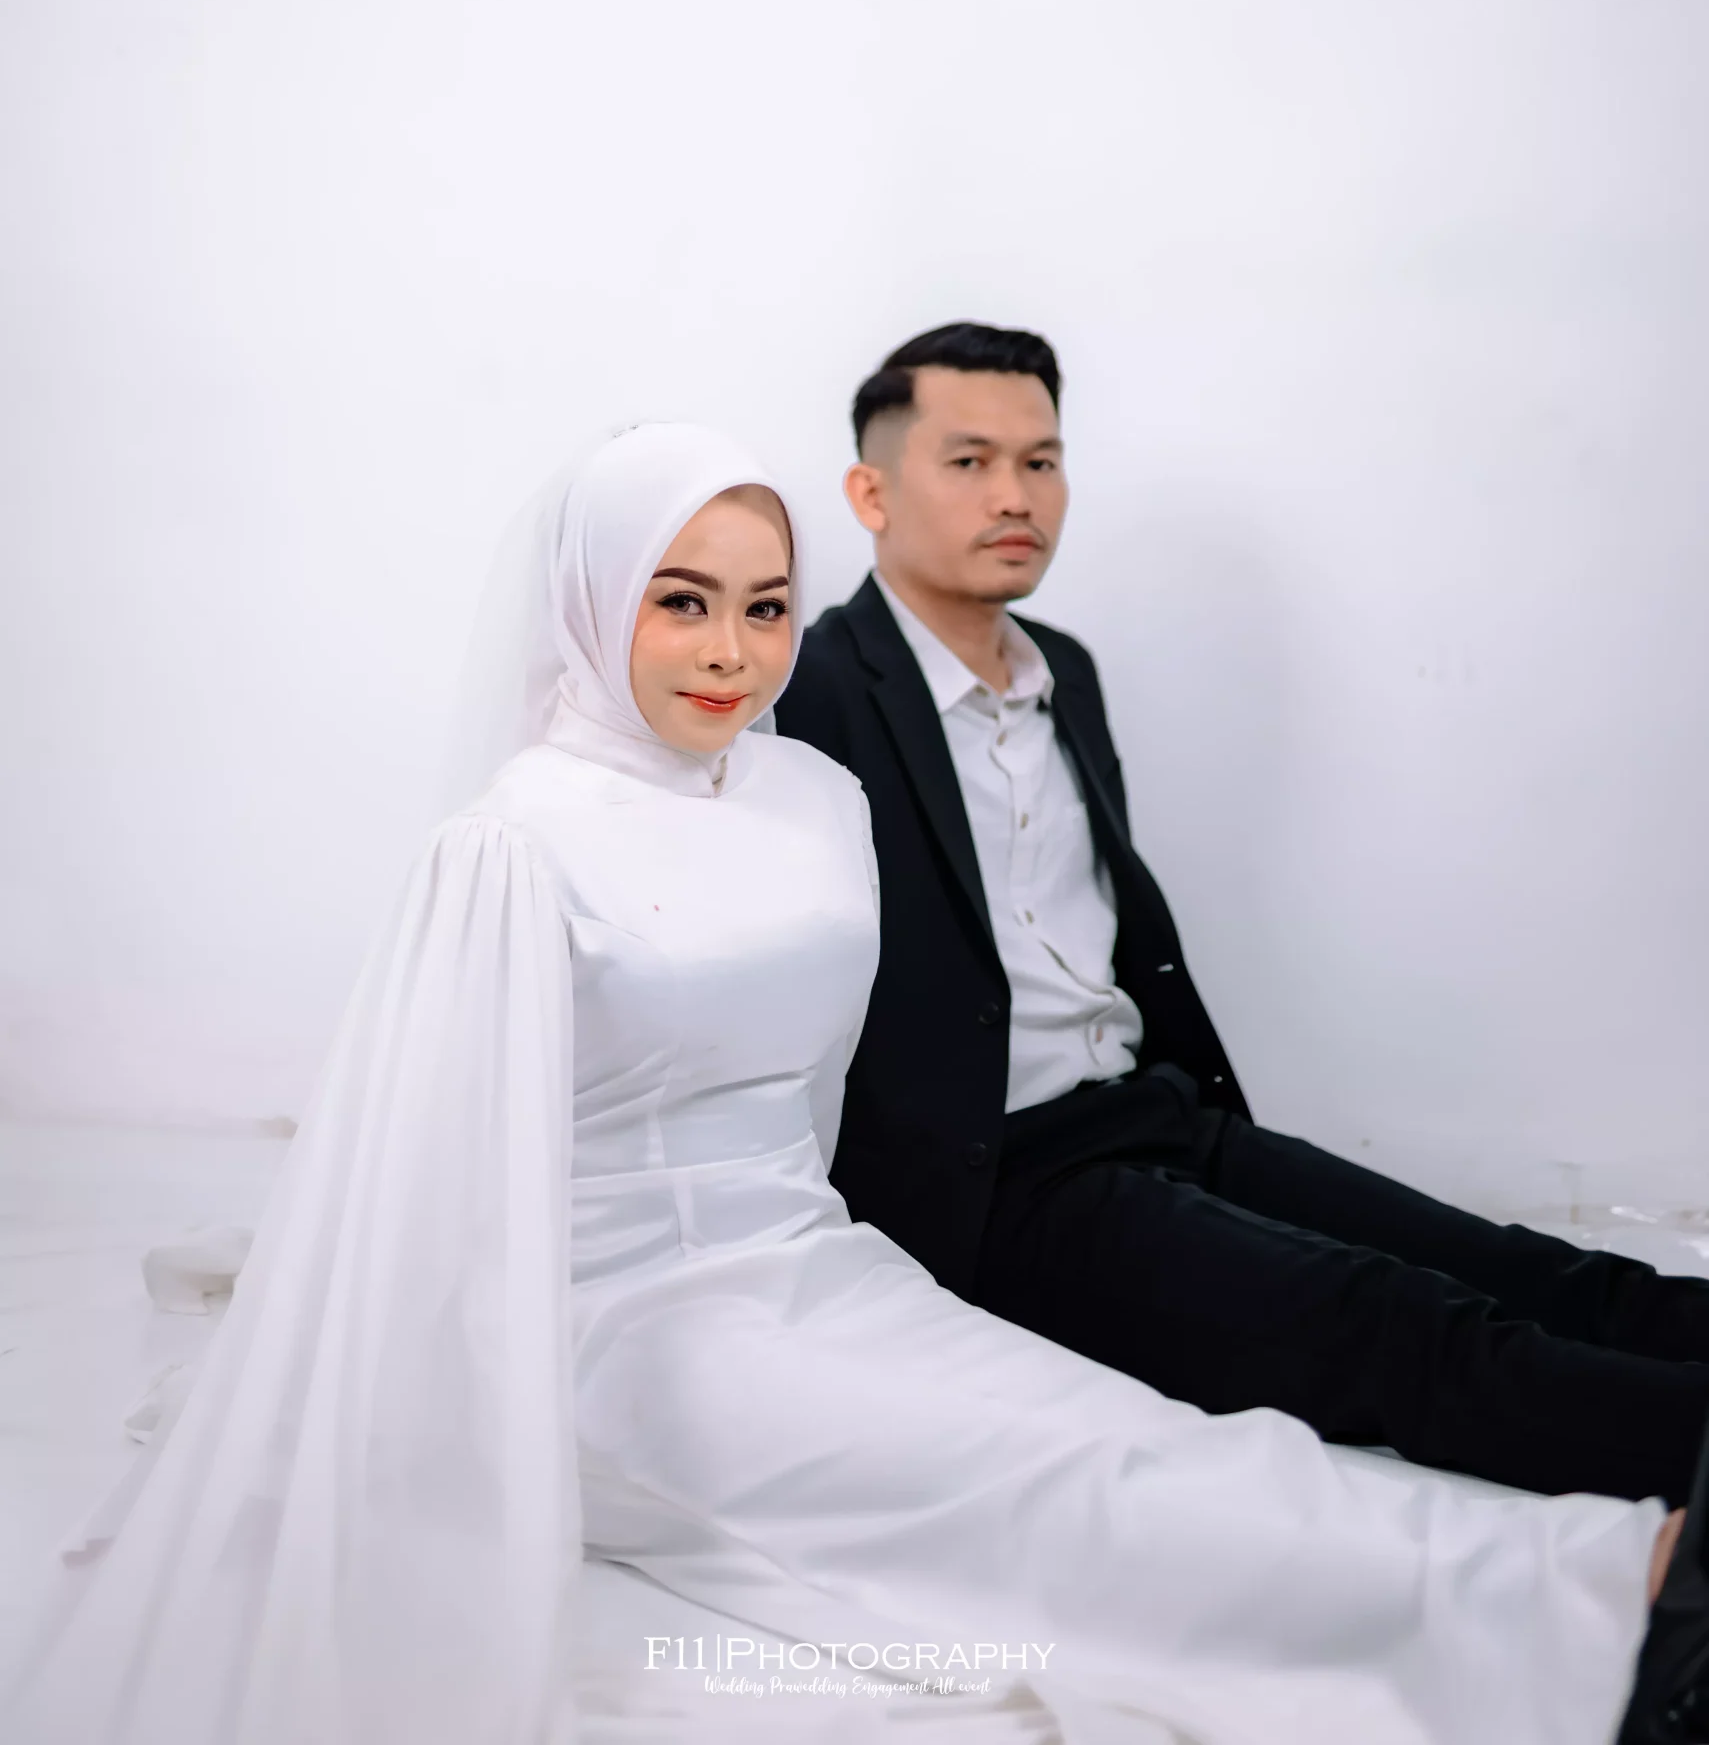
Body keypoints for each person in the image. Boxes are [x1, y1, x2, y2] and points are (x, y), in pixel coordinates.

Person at [8, 420, 1706, 1745]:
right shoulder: (512, 845)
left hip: (818, 1273)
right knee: (1042, 1491)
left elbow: (817, 1117)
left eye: (762, 605)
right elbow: (436, 1168)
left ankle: (1586, 1588)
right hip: (615, 1333)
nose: (729, 651)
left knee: (1119, 1432)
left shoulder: (812, 804)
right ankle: (1591, 1601)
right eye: (679, 599)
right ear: (593, 601)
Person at [772, 322, 1709, 1514]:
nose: (1014, 495)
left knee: (1521, 1264)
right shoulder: (808, 691)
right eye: (968, 461)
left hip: (1157, 1112)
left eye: (1041, 460)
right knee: (1401, 1326)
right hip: (1000, 1175)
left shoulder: (1062, 669)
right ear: (870, 493)